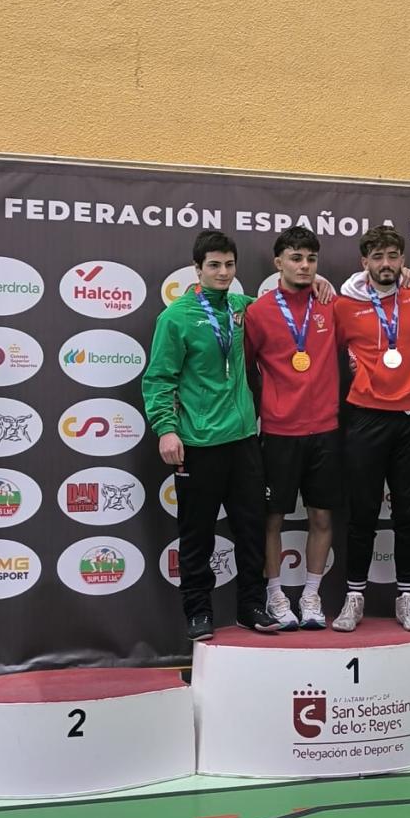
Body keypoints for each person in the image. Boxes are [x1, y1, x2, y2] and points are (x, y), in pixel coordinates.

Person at [141, 230, 279, 642]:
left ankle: (251, 606)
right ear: (197, 268)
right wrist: (166, 429)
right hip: (198, 444)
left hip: (243, 440)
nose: (223, 272)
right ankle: (198, 611)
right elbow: (158, 379)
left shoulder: (242, 307)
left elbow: (287, 301)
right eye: (214, 265)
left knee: (251, 530)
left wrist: (320, 284)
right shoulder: (176, 317)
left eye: (229, 265)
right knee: (197, 534)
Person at [333, 224, 410, 632]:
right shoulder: (343, 304)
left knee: (409, 512)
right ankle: (353, 596)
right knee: (362, 511)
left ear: (403, 260)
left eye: (393, 256)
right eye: (377, 257)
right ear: (365, 262)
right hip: (366, 415)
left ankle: (406, 597)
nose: (386, 264)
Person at [244, 227, 341, 631]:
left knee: (321, 516)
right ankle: (276, 595)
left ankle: (312, 596)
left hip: (325, 430)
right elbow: (245, 371)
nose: (304, 266)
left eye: (311, 259)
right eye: (296, 258)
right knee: (272, 520)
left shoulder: (331, 305)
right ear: (278, 262)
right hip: (279, 431)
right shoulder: (258, 312)